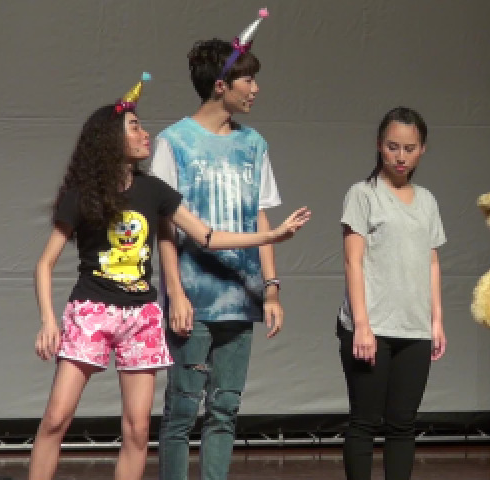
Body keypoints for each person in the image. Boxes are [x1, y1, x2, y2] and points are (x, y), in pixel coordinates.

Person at [29, 75, 310, 480]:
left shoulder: (153, 190)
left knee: (138, 429)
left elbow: (206, 236)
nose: (145, 134)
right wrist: (48, 321)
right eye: (135, 127)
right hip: (92, 309)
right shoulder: (82, 195)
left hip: (141, 316)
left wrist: (271, 236)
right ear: (109, 140)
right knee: (56, 418)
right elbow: (44, 263)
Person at [150, 11, 286, 480]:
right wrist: (176, 294)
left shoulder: (254, 144)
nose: (255, 89)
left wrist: (271, 289)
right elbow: (164, 227)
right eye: (248, 80)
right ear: (221, 85)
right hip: (193, 297)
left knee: (225, 410)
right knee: (181, 411)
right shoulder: (174, 143)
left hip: (241, 296)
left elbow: (261, 216)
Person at [338, 107, 446, 480]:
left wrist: (436, 320)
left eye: (410, 148)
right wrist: (362, 326)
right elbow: (353, 262)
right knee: (365, 421)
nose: (401, 156)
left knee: (403, 424)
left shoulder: (427, 200)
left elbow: (431, 262)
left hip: (414, 328)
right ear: (379, 145)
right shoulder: (363, 194)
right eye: (393, 147)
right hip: (371, 327)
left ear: (422, 150)